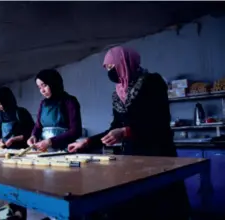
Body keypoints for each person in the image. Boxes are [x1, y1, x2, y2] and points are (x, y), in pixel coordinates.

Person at [67, 46, 190, 219]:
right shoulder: (117, 95)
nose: (110, 72)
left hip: (158, 153)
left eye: (112, 67)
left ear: (124, 63)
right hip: (133, 155)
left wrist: (126, 131)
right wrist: (87, 142)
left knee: (163, 205)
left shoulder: (152, 82)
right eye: (107, 69)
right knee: (136, 204)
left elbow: (160, 121)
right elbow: (115, 126)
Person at [27, 69, 82, 152]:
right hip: (44, 150)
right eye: (39, 87)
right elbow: (38, 126)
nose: (42, 91)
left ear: (53, 83)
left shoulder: (69, 101)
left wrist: (51, 142)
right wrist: (33, 136)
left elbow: (76, 131)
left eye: (44, 85)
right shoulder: (43, 104)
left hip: (65, 149)